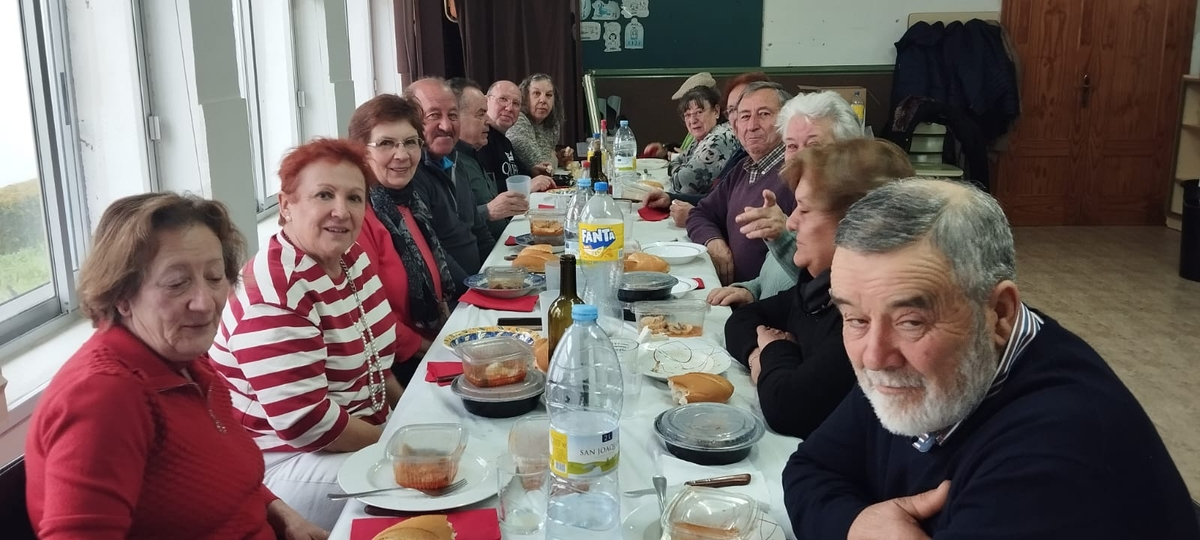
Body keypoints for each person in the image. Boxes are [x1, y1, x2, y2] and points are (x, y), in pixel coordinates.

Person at [783, 179, 1200, 539]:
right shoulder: (925, 365)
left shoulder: (1053, 457)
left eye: (911, 321)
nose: (874, 356)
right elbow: (809, 467)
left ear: (1000, 313)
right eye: (854, 318)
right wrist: (853, 525)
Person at [25, 193, 326, 539]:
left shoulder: (190, 364)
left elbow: (230, 478)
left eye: (214, 277)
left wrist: (285, 515)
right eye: (177, 283)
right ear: (122, 296)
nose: (204, 303)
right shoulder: (104, 396)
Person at [210, 139, 404, 530]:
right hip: (285, 464)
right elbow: (308, 424)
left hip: (359, 436)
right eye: (324, 195)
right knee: (425, 485)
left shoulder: (351, 259)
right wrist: (398, 444)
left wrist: (409, 416)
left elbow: (377, 362)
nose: (342, 211)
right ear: (286, 206)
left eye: (354, 198)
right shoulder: (276, 293)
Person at [723, 139, 915, 438]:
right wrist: (758, 360)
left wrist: (774, 350)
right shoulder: (818, 288)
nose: (791, 223)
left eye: (804, 209)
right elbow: (743, 319)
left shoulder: (866, 317)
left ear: (857, 223)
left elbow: (786, 409)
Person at [708, 90, 864, 307]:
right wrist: (752, 290)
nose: (800, 157)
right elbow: (777, 275)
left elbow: (825, 289)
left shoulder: (852, 216)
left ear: (847, 149)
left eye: (814, 145)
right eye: (791, 146)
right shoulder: (799, 194)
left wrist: (781, 236)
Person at [349, 93, 457, 385]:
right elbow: (369, 321)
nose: (402, 154)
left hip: (430, 348)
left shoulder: (409, 202)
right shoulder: (358, 218)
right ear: (361, 152)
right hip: (395, 370)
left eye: (410, 142)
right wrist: (436, 349)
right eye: (386, 143)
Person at [685, 81, 795, 285]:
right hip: (730, 294)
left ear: (787, 121)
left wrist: (751, 293)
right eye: (744, 116)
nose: (751, 125)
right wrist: (713, 242)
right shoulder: (743, 168)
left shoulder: (797, 176)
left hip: (764, 307)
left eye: (763, 114)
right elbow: (700, 213)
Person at [644, 72, 770, 227]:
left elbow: (685, 179)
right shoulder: (743, 158)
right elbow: (717, 199)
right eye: (733, 111)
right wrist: (669, 198)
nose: (741, 123)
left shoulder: (722, 137)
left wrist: (695, 218)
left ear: (716, 110)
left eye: (762, 113)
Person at [404, 78, 495, 279]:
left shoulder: (455, 160)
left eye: (453, 115)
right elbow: (433, 251)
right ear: (410, 121)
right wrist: (473, 289)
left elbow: (480, 233)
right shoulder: (410, 174)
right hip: (454, 298)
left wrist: (499, 273)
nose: (446, 125)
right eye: (433, 115)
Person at [449, 77, 528, 239]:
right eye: (480, 114)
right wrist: (488, 211)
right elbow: (447, 224)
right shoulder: (449, 163)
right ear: (455, 118)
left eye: (516, 103)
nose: (487, 120)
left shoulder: (473, 154)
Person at [477, 79, 554, 194]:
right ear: (486, 101)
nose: (509, 108)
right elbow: (483, 189)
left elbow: (517, 174)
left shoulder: (506, 142)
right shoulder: (480, 140)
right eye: (503, 99)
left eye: (516, 104)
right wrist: (526, 186)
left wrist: (532, 172)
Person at [663, 86, 739, 196]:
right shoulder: (704, 135)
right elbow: (676, 161)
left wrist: (679, 170)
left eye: (699, 112)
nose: (693, 120)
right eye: (688, 115)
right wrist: (679, 169)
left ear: (716, 111)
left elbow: (684, 181)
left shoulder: (719, 138)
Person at [507, 73, 563, 175]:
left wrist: (559, 157)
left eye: (549, 95)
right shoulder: (518, 119)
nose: (543, 100)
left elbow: (549, 166)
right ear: (525, 97)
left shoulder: (553, 125)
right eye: (536, 93)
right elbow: (543, 167)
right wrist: (553, 157)